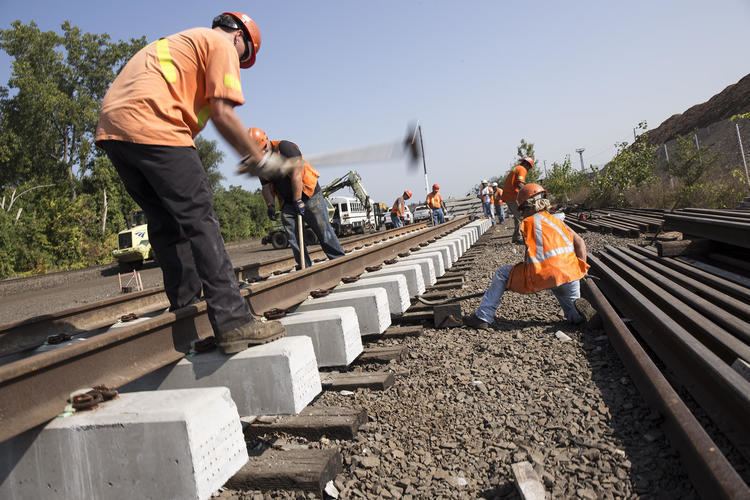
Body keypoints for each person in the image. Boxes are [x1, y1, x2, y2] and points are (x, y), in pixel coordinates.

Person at [95, 12, 294, 354]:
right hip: (157, 127)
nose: (239, 62)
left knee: (167, 225)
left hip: (115, 132)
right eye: (243, 56)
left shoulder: (178, 42)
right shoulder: (221, 43)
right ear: (240, 37)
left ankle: (186, 313)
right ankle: (234, 322)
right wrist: (260, 159)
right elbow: (222, 112)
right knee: (200, 220)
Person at [464, 183, 596, 329]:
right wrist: (582, 270)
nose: (521, 213)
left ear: (529, 206)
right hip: (570, 274)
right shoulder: (557, 220)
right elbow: (580, 242)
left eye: (522, 209)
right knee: (573, 311)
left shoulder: (528, 222)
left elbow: (529, 255)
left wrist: (516, 280)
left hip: (542, 274)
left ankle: (482, 316)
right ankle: (578, 317)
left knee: (502, 274)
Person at [249, 128, 346, 269]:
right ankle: (304, 266)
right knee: (291, 233)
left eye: (263, 149)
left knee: (322, 229)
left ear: (267, 140)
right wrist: (270, 205)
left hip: (309, 193)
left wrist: (298, 200)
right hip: (287, 200)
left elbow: (296, 175)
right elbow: (266, 186)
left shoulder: (286, 148)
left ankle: (339, 261)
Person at [502, 157, 535, 243]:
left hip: (510, 196)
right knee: (522, 216)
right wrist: (528, 193)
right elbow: (520, 184)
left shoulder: (517, 168)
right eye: (529, 168)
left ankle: (516, 237)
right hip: (512, 196)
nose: (528, 170)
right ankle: (525, 237)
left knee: (518, 217)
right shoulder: (522, 169)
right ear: (527, 165)